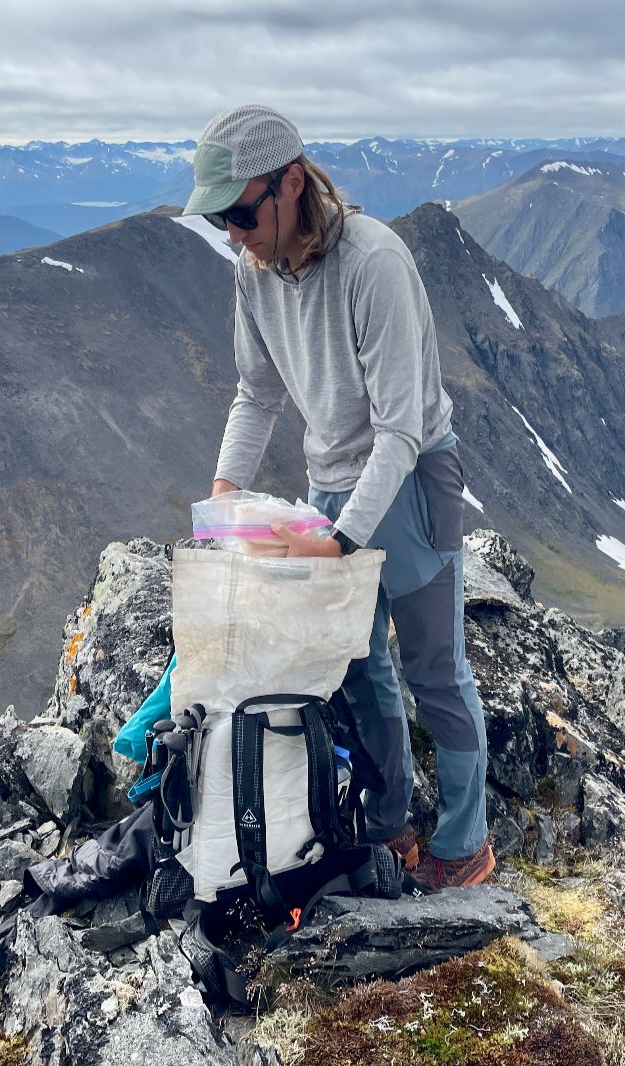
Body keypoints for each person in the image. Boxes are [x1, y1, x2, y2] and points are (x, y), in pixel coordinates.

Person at [184, 104, 493, 891]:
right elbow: (256, 394)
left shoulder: (374, 264)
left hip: (414, 485)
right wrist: (223, 499)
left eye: (241, 212)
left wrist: (340, 541)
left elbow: (400, 432)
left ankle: (464, 846)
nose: (231, 233)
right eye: (220, 217)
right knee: (356, 668)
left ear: (293, 184)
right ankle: (390, 827)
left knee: (434, 670)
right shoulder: (253, 272)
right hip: (331, 482)